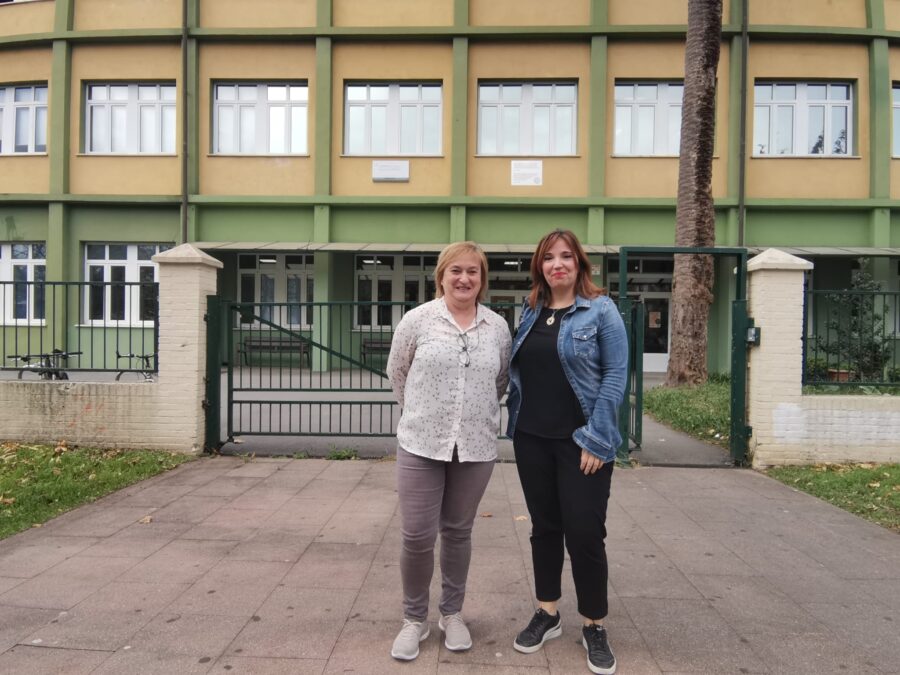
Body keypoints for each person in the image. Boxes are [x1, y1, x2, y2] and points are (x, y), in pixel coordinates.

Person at [506, 229, 627, 675]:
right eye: (549, 258)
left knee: (585, 533)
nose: (557, 264)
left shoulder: (601, 310)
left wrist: (597, 438)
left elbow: (615, 376)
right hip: (531, 438)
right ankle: (548, 612)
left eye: (566, 256)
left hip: (582, 444)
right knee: (544, 528)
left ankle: (594, 624)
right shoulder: (530, 311)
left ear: (579, 264)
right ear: (540, 266)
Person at [386, 241, 512, 661]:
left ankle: (452, 613)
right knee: (417, 535)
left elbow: (500, 380)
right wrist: (423, 414)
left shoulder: (497, 327)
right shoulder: (418, 320)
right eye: (455, 270)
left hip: (475, 447)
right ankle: (414, 619)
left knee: (458, 532)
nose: (464, 278)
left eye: (473, 271)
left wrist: (469, 416)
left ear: (482, 279)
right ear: (441, 276)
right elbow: (398, 373)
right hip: (421, 443)